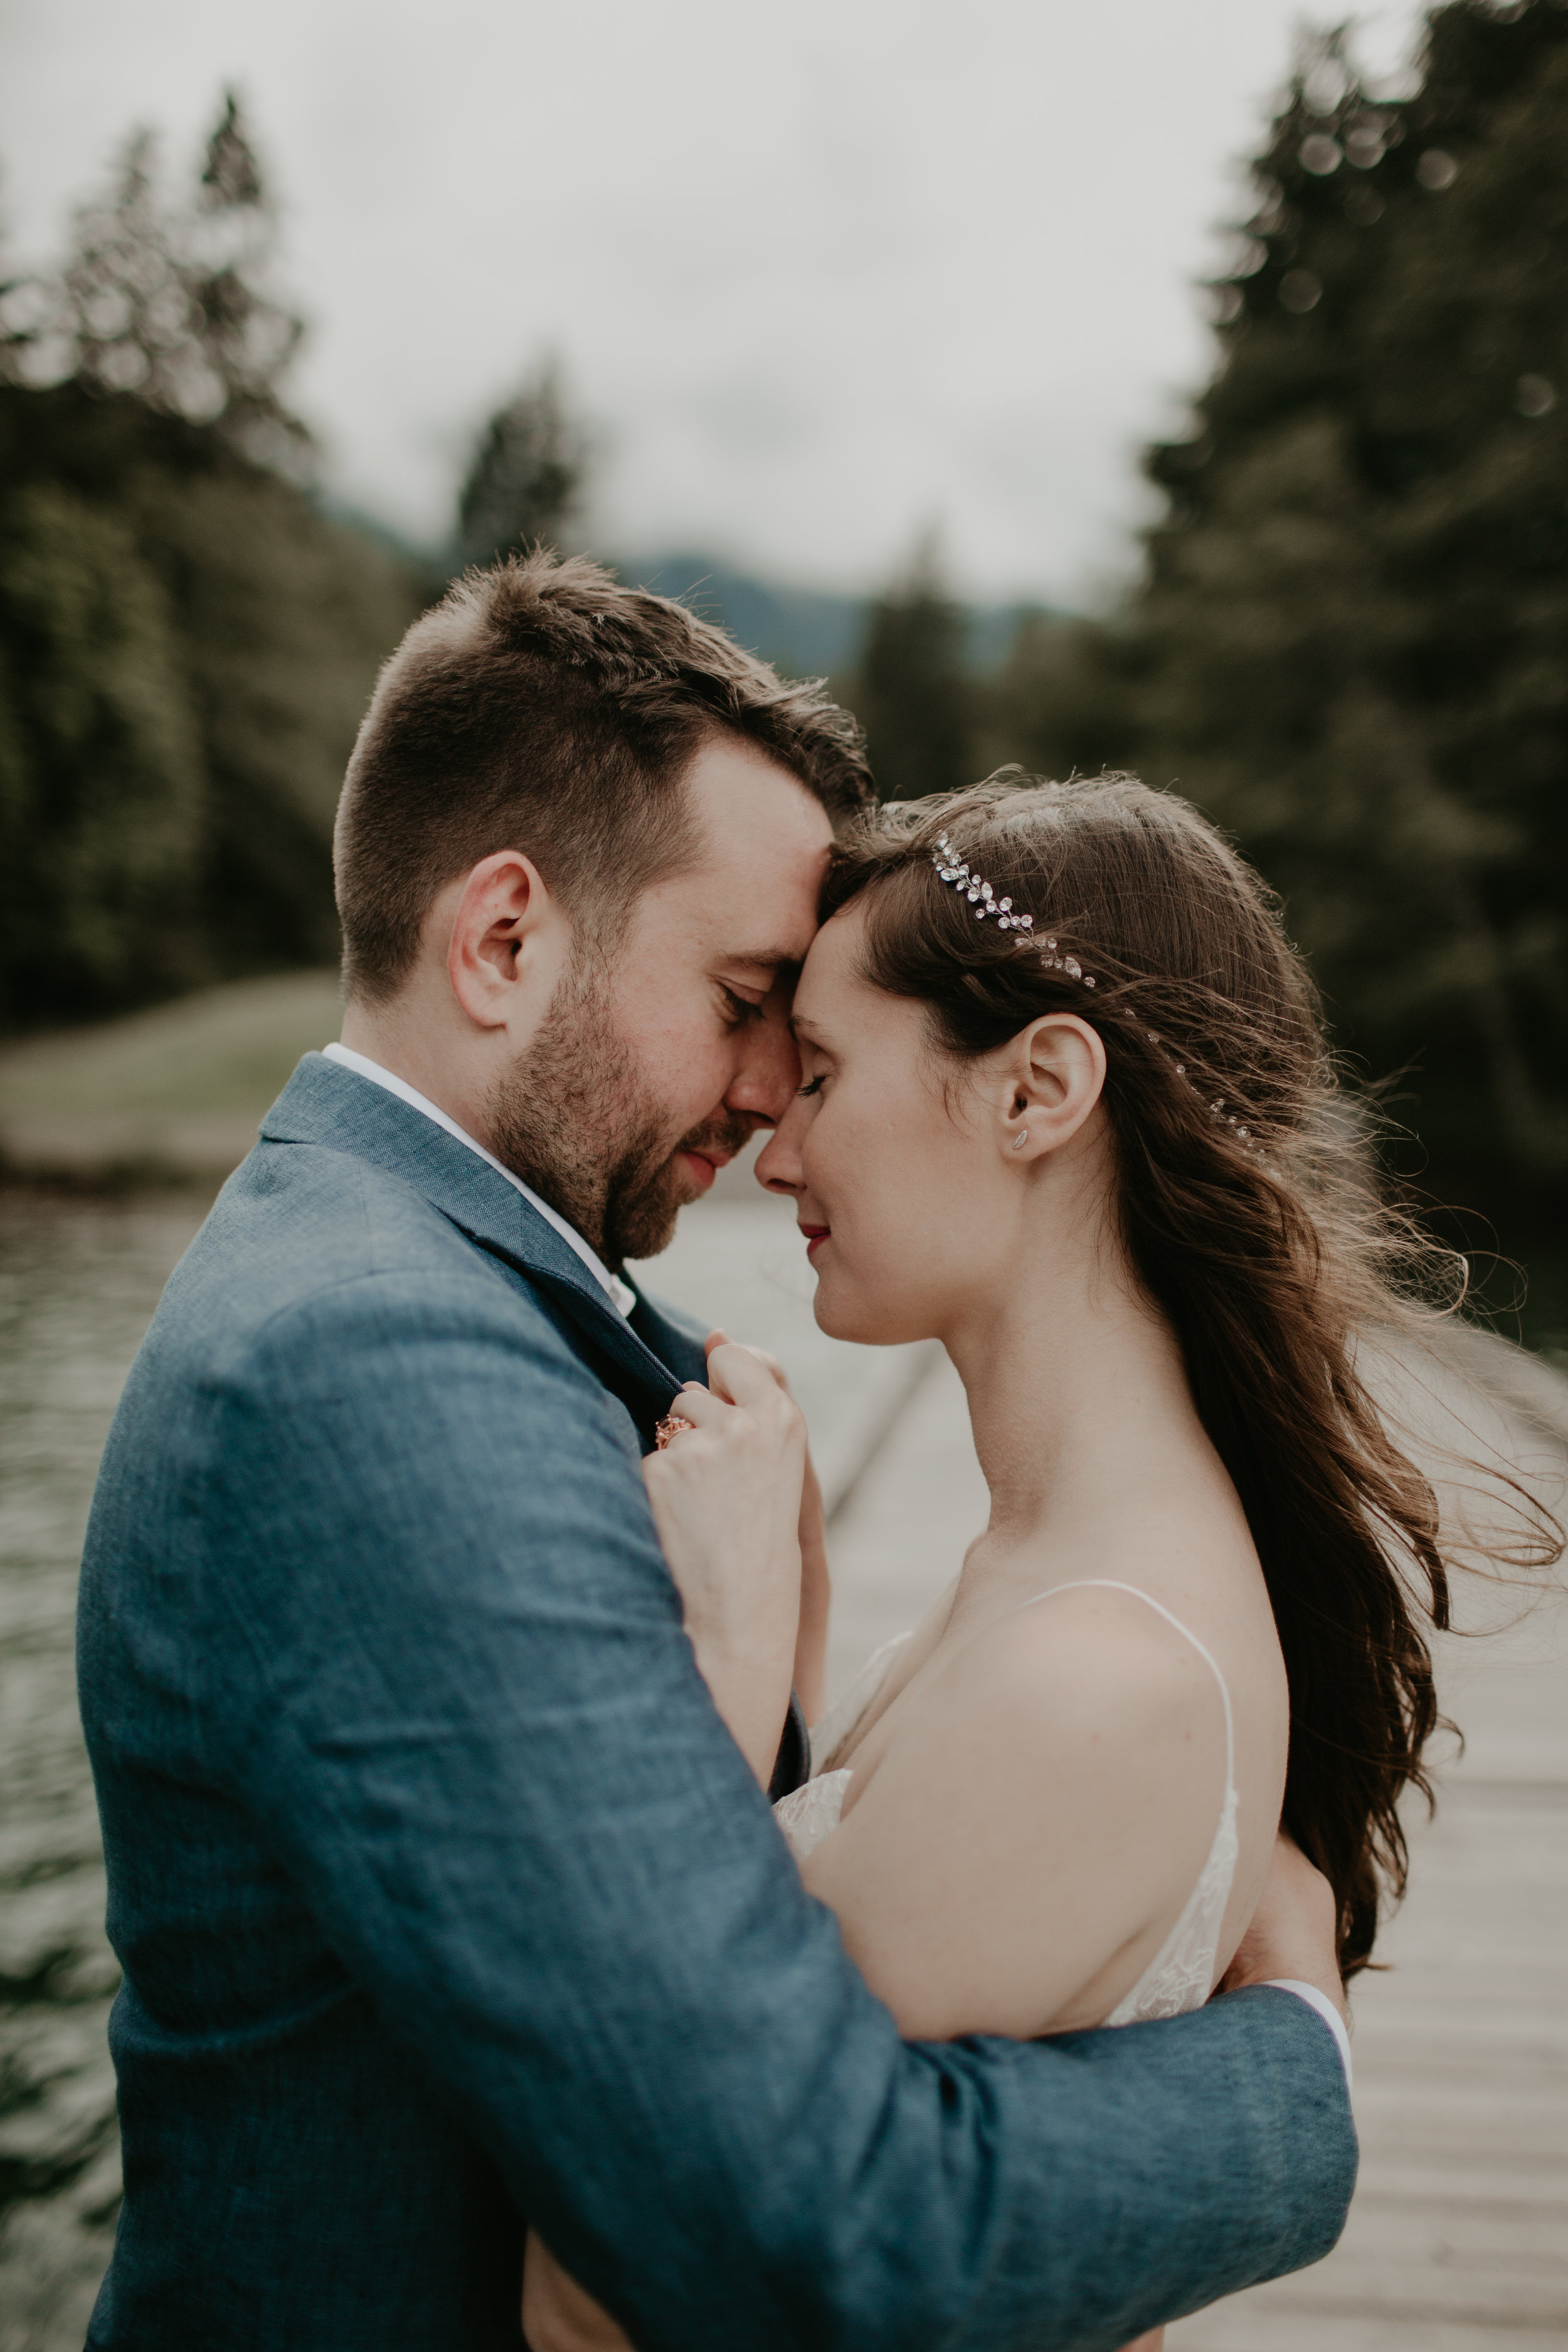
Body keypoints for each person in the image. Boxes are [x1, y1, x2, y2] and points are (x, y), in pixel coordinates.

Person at [77, 557, 1354, 2352]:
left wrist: (756, 1681)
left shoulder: (421, 1294)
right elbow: (751, 2208)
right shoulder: (384, 1363)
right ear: (504, 940)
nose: (764, 1097)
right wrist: (1287, 2089)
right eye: (749, 995)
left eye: (809, 1048)